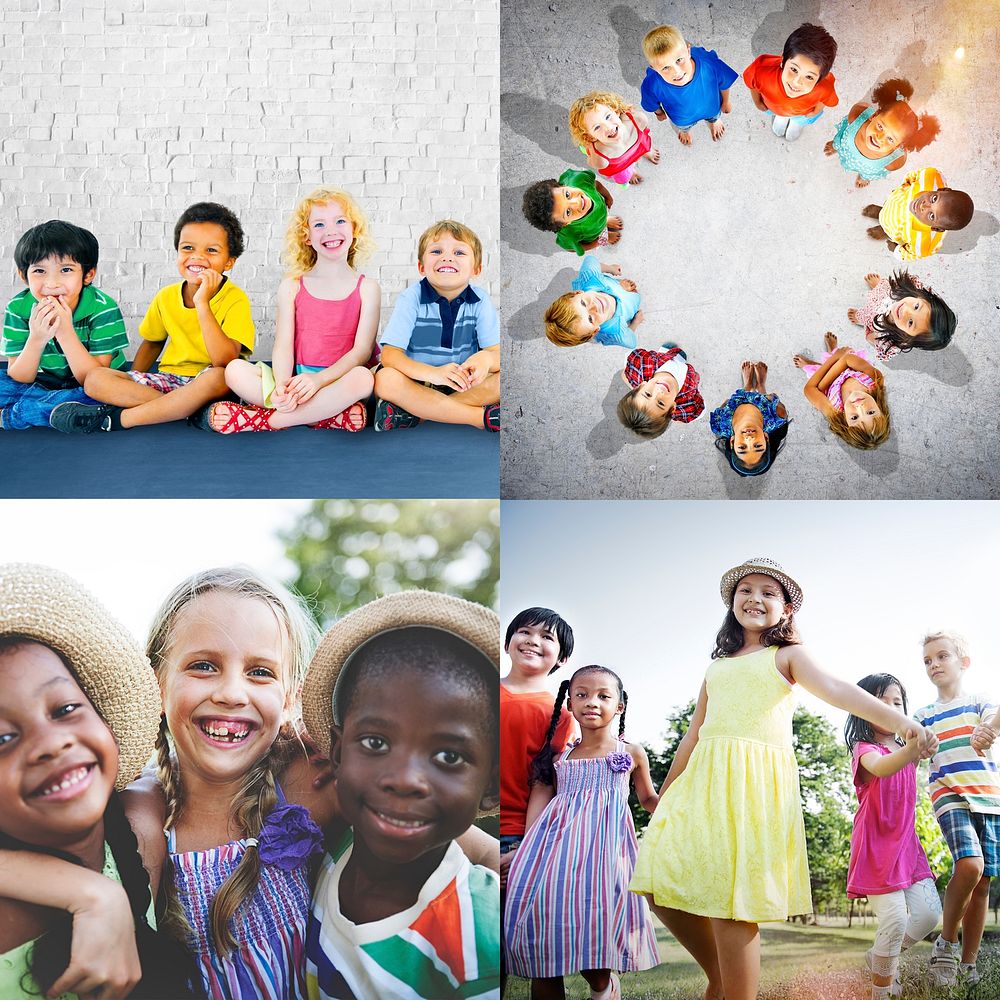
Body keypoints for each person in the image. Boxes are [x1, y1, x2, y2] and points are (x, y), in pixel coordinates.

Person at [629, 557, 936, 1000]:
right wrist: (665, 794)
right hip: (702, 784)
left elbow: (837, 689)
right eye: (745, 590)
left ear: (787, 609)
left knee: (732, 905)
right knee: (656, 879)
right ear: (732, 603)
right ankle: (719, 975)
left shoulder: (787, 655)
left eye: (768, 592)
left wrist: (900, 721)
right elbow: (693, 734)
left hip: (751, 787)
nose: (755, 598)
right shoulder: (716, 666)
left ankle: (735, 991)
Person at [0, 563, 200, 1000]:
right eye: (2, 738)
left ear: (104, 720)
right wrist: (92, 894)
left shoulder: (140, 822)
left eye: (65, 709)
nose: (50, 744)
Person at [299, 590, 501, 999]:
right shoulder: (332, 836)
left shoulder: (483, 938)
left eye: (448, 755)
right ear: (337, 753)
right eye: (375, 743)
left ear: (492, 789)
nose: (405, 779)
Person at [504, 665, 660, 1000]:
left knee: (595, 936)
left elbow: (649, 799)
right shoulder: (561, 757)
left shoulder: (630, 753)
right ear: (570, 705)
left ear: (619, 706)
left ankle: (605, 987)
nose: (592, 702)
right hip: (555, 855)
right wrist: (525, 852)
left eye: (604, 696)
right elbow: (543, 806)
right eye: (582, 695)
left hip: (605, 856)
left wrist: (682, 806)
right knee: (544, 938)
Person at [50, 202, 255, 433]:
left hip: (211, 383)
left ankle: (121, 419)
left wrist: (202, 303)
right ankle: (185, 410)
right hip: (171, 380)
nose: (197, 257)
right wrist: (131, 378)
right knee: (95, 379)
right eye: (188, 248)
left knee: (219, 376)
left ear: (229, 261)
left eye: (211, 250)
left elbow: (225, 362)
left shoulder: (236, 299)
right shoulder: (166, 296)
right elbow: (152, 343)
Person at [206, 188, 378, 433]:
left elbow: (362, 351)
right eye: (319, 224)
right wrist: (282, 386)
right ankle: (323, 417)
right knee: (234, 370)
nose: (330, 231)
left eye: (340, 221)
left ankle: (266, 421)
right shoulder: (292, 286)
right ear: (306, 236)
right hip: (296, 381)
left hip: (338, 383)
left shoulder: (368, 288)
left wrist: (318, 381)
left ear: (354, 229)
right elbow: (283, 344)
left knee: (364, 378)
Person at [844, 673, 941, 1000]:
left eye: (896, 703)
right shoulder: (864, 748)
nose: (889, 710)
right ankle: (881, 991)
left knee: (928, 915)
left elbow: (922, 750)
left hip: (906, 844)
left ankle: (880, 957)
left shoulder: (907, 746)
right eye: (879, 703)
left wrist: (924, 743)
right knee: (896, 919)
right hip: (876, 847)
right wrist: (914, 746)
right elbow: (883, 768)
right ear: (862, 708)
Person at [914, 631, 1000, 989]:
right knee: (970, 865)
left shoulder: (979, 703)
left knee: (982, 884)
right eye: (928, 661)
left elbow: (994, 721)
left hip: (990, 799)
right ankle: (946, 945)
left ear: (963, 662)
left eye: (941, 656)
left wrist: (988, 731)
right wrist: (918, 742)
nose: (934, 664)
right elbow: (914, 744)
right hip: (949, 797)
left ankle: (968, 963)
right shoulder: (924, 714)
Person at [500, 608, 576, 995]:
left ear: (561, 658)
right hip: (464, 834)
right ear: (508, 640)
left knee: (541, 956)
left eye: (547, 637)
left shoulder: (560, 716)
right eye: (525, 632)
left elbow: (544, 785)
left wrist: (527, 850)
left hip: (522, 841)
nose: (533, 640)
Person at [373, 220, 500, 432]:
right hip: (418, 382)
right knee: (385, 379)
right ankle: (478, 417)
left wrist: (486, 359)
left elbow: (497, 355)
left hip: (462, 385)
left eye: (459, 252)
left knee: (503, 380)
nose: (447, 257)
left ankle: (418, 414)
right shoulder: (411, 298)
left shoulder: (481, 301)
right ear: (421, 267)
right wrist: (433, 374)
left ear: (477, 268)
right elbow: (389, 356)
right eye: (437, 251)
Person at [1, 220, 129, 429]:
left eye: (66, 270)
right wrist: (37, 338)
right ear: (24, 276)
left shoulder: (102, 308)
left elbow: (93, 378)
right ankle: (54, 409)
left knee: (104, 394)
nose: (52, 283)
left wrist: (65, 332)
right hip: (47, 382)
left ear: (88, 275)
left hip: (95, 385)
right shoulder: (18, 308)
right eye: (39, 271)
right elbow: (19, 377)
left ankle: (19, 414)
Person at [824, 78, 938, 188]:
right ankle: (838, 146)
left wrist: (866, 176)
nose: (879, 137)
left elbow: (902, 155)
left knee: (867, 173)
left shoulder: (893, 162)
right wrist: (837, 143)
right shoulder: (856, 117)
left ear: (898, 146)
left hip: (868, 169)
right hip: (846, 146)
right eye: (880, 126)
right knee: (841, 141)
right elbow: (856, 114)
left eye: (890, 139)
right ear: (874, 115)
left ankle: (864, 176)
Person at [639, 24, 738, 145]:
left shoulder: (708, 63)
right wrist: (659, 112)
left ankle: (714, 122)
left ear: (688, 51)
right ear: (654, 68)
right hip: (683, 120)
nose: (676, 72)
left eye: (679, 60)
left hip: (712, 108)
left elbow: (724, 83)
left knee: (714, 116)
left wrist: (726, 101)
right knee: (683, 127)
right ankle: (685, 131)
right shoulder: (652, 84)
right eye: (665, 67)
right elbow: (650, 103)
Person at [793, 332, 890, 450]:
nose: (860, 406)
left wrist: (835, 358)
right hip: (839, 370)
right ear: (880, 409)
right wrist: (822, 386)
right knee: (844, 353)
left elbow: (809, 389)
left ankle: (817, 363)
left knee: (818, 371)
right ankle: (832, 350)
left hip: (827, 377)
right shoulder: (875, 381)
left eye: (854, 418)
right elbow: (848, 359)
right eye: (870, 412)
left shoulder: (834, 410)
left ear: (845, 420)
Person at [743, 23, 839, 141]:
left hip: (801, 114)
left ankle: (796, 123)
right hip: (773, 107)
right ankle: (781, 117)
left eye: (809, 77)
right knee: (779, 113)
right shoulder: (761, 69)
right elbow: (752, 83)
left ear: (819, 79)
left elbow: (826, 98)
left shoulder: (825, 86)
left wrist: (816, 111)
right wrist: (757, 102)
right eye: (794, 69)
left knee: (798, 120)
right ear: (783, 61)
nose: (797, 82)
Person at [861, 168, 973, 260]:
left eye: (931, 215)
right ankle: (881, 212)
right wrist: (904, 186)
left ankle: (884, 230)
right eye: (934, 199)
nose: (924, 206)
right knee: (887, 208)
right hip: (895, 202)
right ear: (943, 189)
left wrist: (896, 250)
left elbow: (910, 255)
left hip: (895, 229)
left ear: (936, 228)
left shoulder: (925, 243)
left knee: (889, 229)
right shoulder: (931, 177)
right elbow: (915, 175)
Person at [848, 269, 956, 361]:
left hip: (875, 317)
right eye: (916, 307)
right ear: (923, 298)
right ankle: (878, 288)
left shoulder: (890, 339)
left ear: (908, 338)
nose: (905, 311)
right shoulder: (908, 292)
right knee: (886, 290)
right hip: (890, 294)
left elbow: (872, 338)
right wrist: (883, 288)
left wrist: (872, 337)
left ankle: (860, 317)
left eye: (910, 322)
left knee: (866, 316)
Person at [710, 361, 789, 477]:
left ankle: (747, 385)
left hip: (738, 401)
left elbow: (728, 402)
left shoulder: (721, 423)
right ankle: (761, 385)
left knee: (737, 398)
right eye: (758, 446)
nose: (749, 439)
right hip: (763, 401)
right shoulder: (777, 414)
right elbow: (772, 396)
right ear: (766, 438)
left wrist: (745, 393)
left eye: (742, 447)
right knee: (765, 397)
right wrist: (764, 394)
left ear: (732, 442)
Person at [543, 257, 643, 348]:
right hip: (631, 306)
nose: (594, 307)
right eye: (590, 319)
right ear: (595, 330)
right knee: (634, 299)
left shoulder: (589, 278)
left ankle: (618, 289)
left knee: (616, 288)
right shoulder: (616, 333)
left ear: (577, 293)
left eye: (583, 303)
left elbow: (590, 260)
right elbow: (632, 343)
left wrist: (611, 268)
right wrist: (635, 322)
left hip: (612, 285)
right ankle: (620, 290)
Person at [567, 91, 660, 185]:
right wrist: (591, 149)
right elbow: (591, 162)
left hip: (639, 146)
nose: (609, 127)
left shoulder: (638, 120)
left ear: (616, 111)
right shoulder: (600, 157)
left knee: (644, 144)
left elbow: (643, 131)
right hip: (620, 165)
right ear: (590, 137)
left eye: (607, 116)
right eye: (597, 127)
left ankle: (646, 152)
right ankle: (631, 172)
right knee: (624, 176)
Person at [616, 344, 704, 439]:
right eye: (661, 403)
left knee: (665, 354)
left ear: (640, 386)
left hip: (662, 359)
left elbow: (625, 370)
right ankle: (680, 361)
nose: (659, 392)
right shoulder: (687, 401)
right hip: (688, 376)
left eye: (648, 394)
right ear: (673, 408)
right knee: (693, 375)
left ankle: (666, 352)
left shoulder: (642, 365)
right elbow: (699, 412)